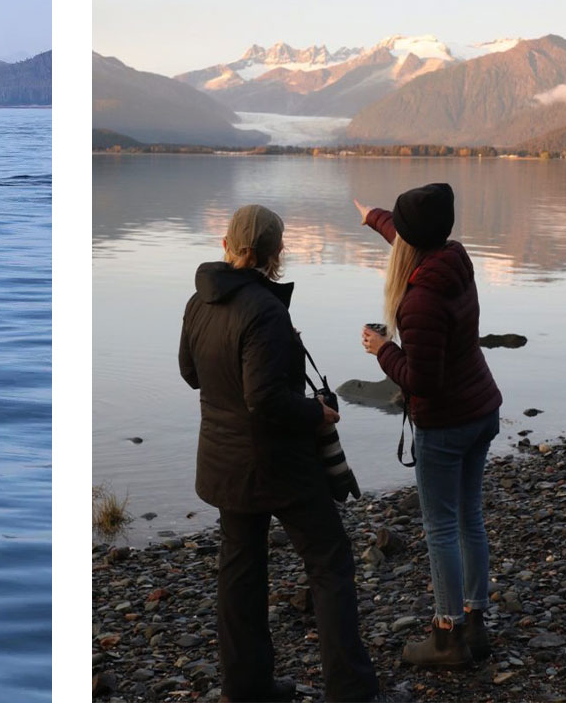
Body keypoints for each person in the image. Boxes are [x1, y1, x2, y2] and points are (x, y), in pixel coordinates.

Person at [179, 204, 379, 702]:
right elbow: (264, 399)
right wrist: (317, 415)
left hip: (225, 463)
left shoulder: (198, 302)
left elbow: (190, 373)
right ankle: (350, 690)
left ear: (226, 244)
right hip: (278, 464)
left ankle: (245, 688)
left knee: (240, 569)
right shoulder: (265, 310)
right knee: (329, 562)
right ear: (277, 253)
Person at [355, 184, 502, 669]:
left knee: (441, 525)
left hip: (448, 423)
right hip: (481, 408)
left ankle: (447, 636)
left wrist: (382, 350)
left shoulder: (419, 302)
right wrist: (372, 215)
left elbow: (423, 383)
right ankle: (476, 623)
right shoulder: (453, 259)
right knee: (470, 515)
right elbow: (406, 234)